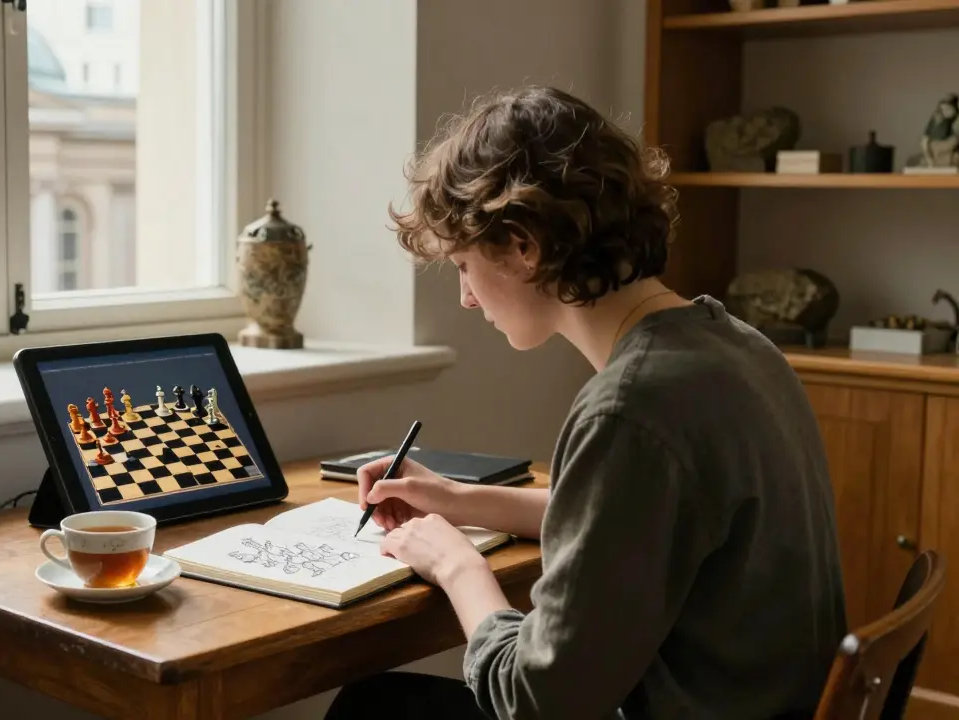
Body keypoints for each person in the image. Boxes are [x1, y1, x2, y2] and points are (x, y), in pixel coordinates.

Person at [323, 86, 847, 719]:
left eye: (464, 265)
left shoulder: (631, 408)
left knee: (375, 709)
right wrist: (459, 501)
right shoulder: (736, 347)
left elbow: (538, 702)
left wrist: (458, 566)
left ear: (523, 245)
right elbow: (631, 523)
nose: (465, 297)